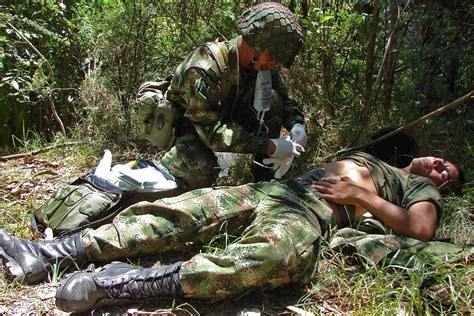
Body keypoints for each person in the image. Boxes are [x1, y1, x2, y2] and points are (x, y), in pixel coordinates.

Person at [0, 151, 464, 313]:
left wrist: (361, 198)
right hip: (277, 189)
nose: (440, 170)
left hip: (312, 212)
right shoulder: (385, 157)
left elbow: (421, 229)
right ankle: (51, 251)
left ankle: (116, 284)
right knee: (180, 210)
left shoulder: (416, 186)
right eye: (441, 162)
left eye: (449, 175)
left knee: (268, 257)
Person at [147, 2, 307, 190]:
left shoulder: (262, 65)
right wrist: (269, 146)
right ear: (254, 43)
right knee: (202, 168)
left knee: (273, 101)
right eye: (272, 58)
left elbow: (284, 100)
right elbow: (212, 134)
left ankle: (264, 180)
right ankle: (171, 175)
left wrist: (297, 124)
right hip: (189, 127)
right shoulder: (204, 68)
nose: (273, 64)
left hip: (223, 118)